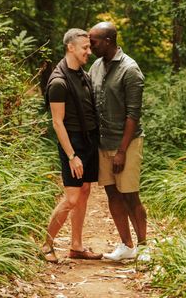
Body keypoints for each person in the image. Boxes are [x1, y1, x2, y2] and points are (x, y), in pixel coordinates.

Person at [41, 28, 102, 263]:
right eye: (85, 48)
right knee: (72, 198)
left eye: (89, 47)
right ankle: (46, 244)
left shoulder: (81, 74)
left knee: (85, 192)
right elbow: (57, 123)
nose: (89, 51)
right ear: (70, 47)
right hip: (72, 143)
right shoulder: (58, 82)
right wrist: (71, 155)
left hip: (88, 141)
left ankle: (76, 246)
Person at [88, 22, 148, 261]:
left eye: (94, 42)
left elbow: (133, 114)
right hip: (103, 142)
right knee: (112, 194)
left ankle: (143, 247)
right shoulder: (96, 66)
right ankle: (126, 245)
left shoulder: (130, 70)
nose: (90, 46)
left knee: (130, 194)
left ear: (108, 41)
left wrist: (122, 151)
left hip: (127, 143)